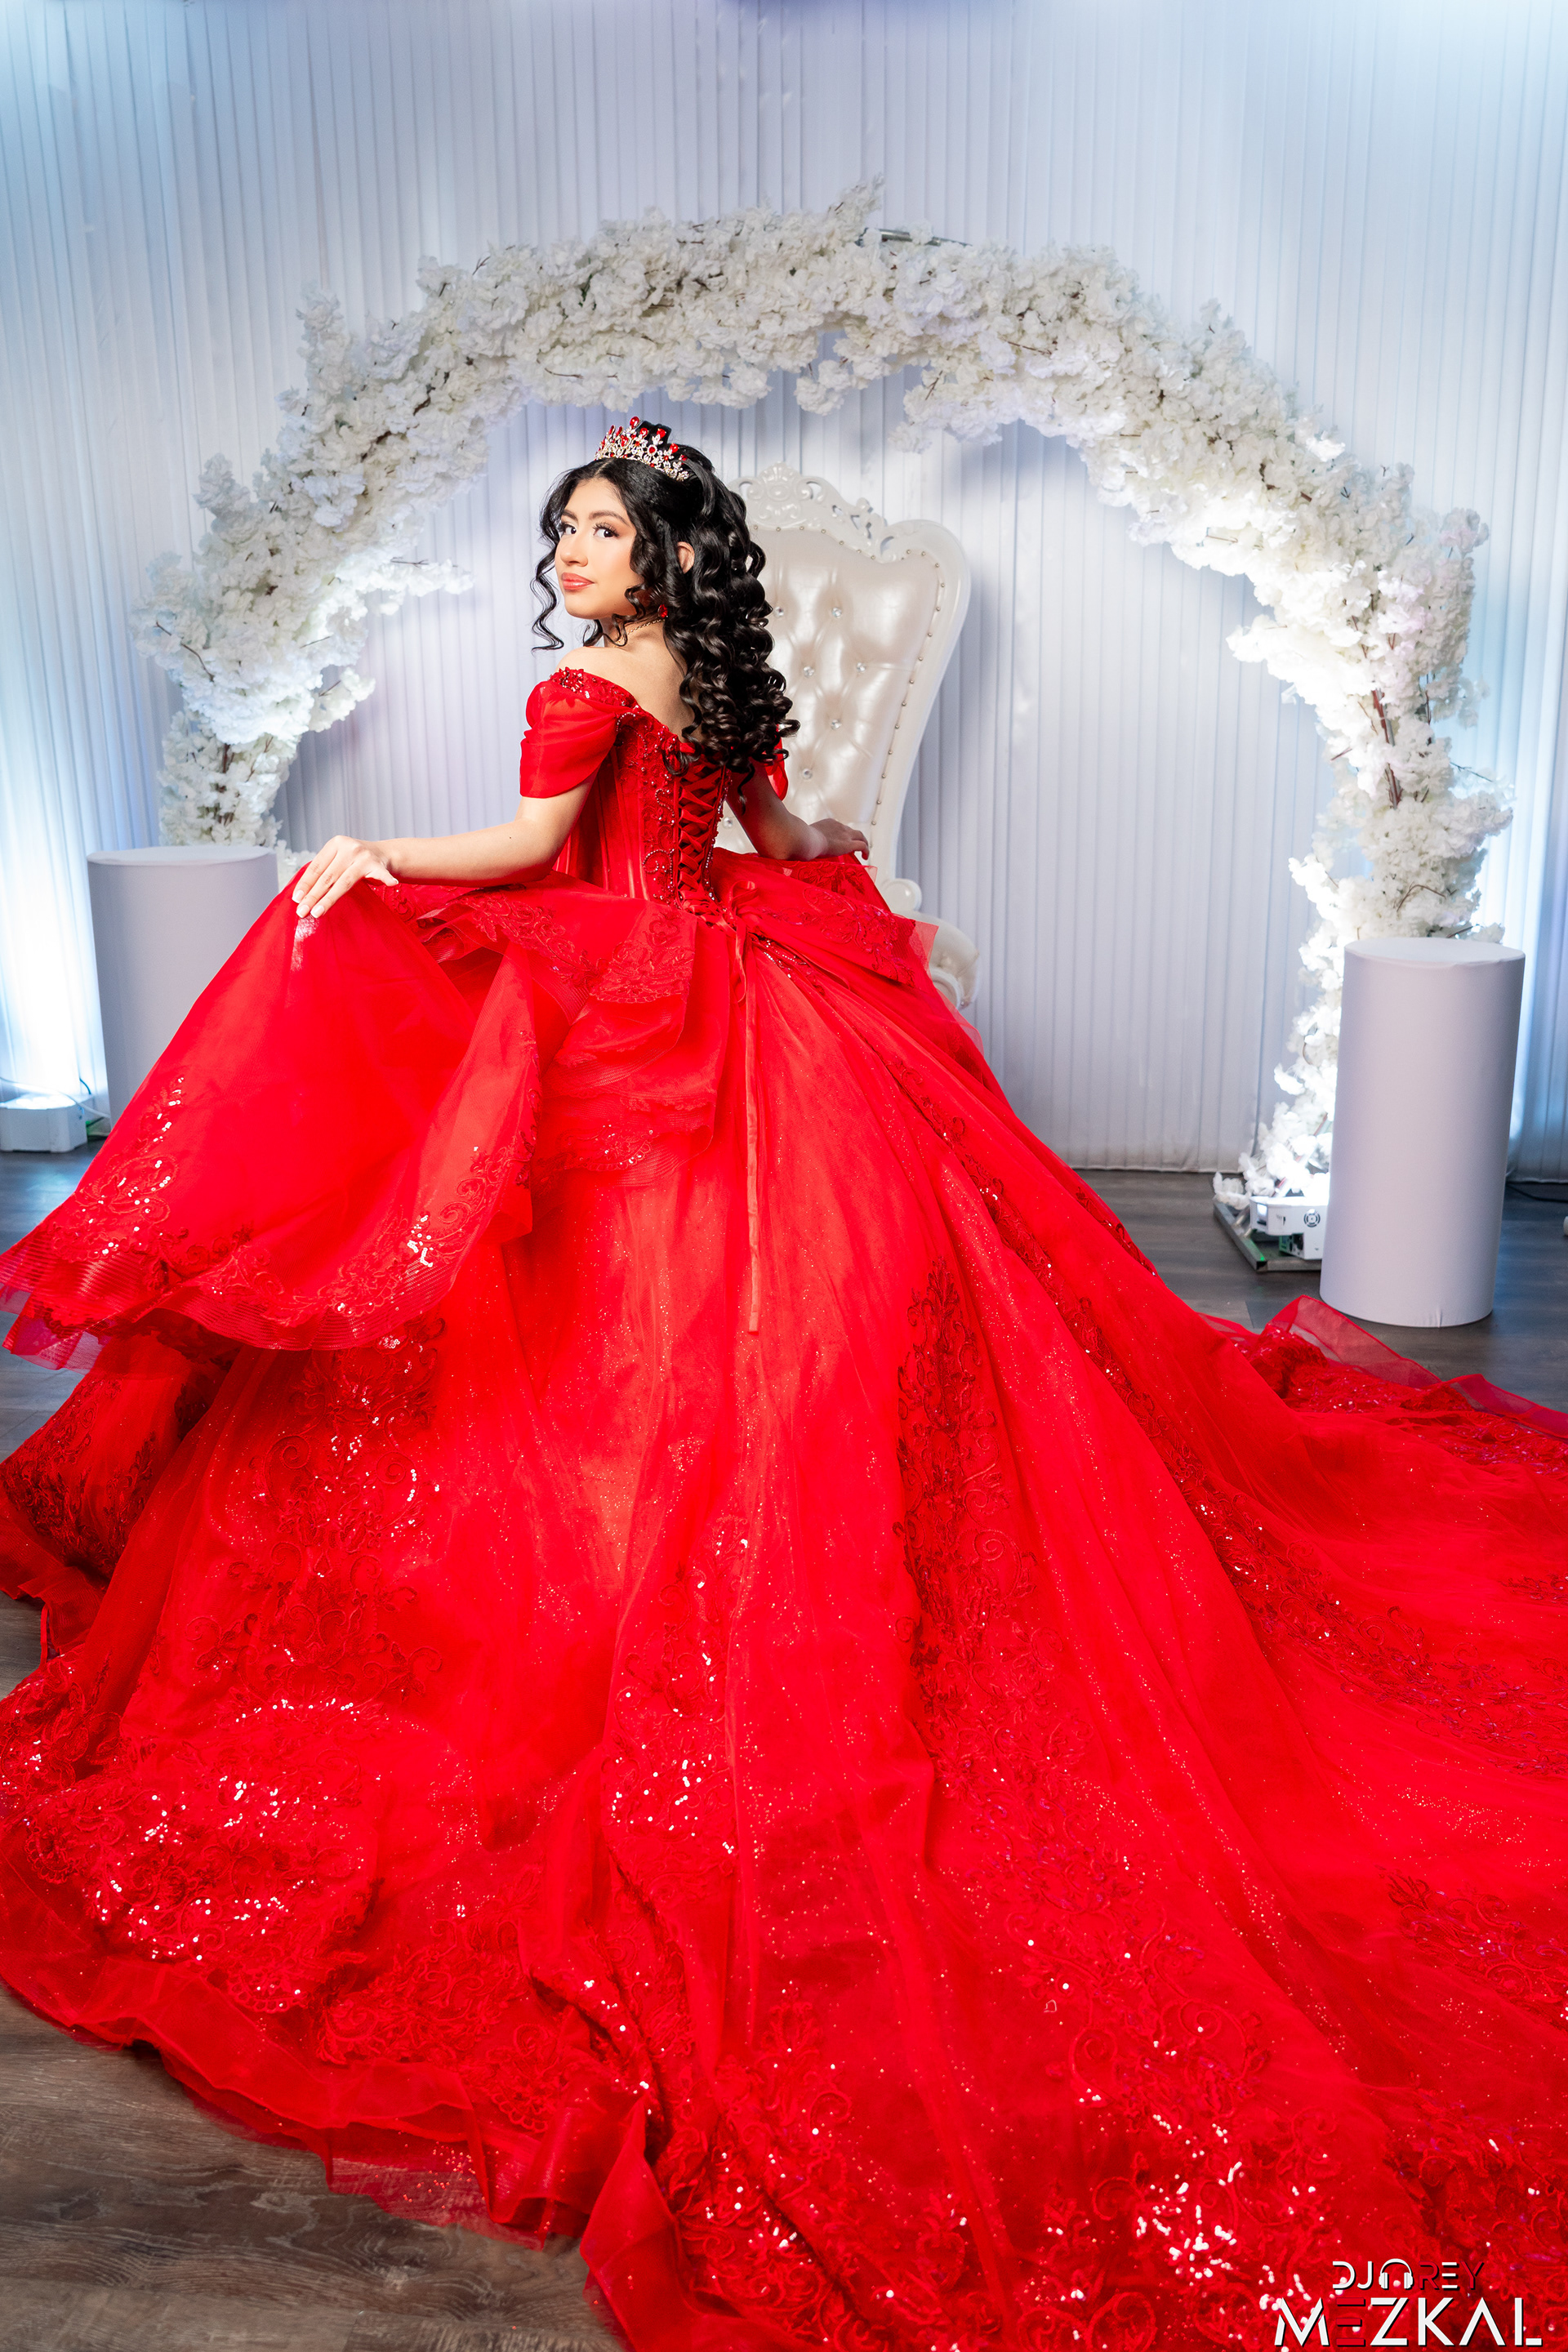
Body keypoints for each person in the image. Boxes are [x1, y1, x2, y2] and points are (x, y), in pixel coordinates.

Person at [1, 419, 1566, 2351]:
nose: (570, 560)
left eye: (599, 534)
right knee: (778, 1283)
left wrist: (366, 852)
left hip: (640, 996)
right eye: (562, 535)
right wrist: (826, 867)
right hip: (745, 978)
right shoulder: (709, 677)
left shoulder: (586, 686)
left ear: (661, 556)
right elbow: (777, 834)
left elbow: (530, 857)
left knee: (545, 1241)